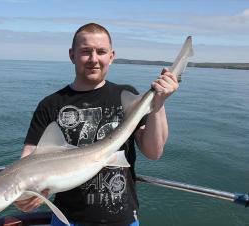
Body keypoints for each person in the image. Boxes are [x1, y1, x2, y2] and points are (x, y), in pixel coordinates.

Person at [14, 23, 179, 226]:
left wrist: (158, 103)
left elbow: (154, 152)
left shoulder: (125, 96)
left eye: (101, 51)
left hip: (122, 219)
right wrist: (22, 197)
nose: (94, 59)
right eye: (85, 52)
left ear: (111, 56)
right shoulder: (50, 104)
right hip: (67, 219)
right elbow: (29, 158)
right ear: (72, 55)